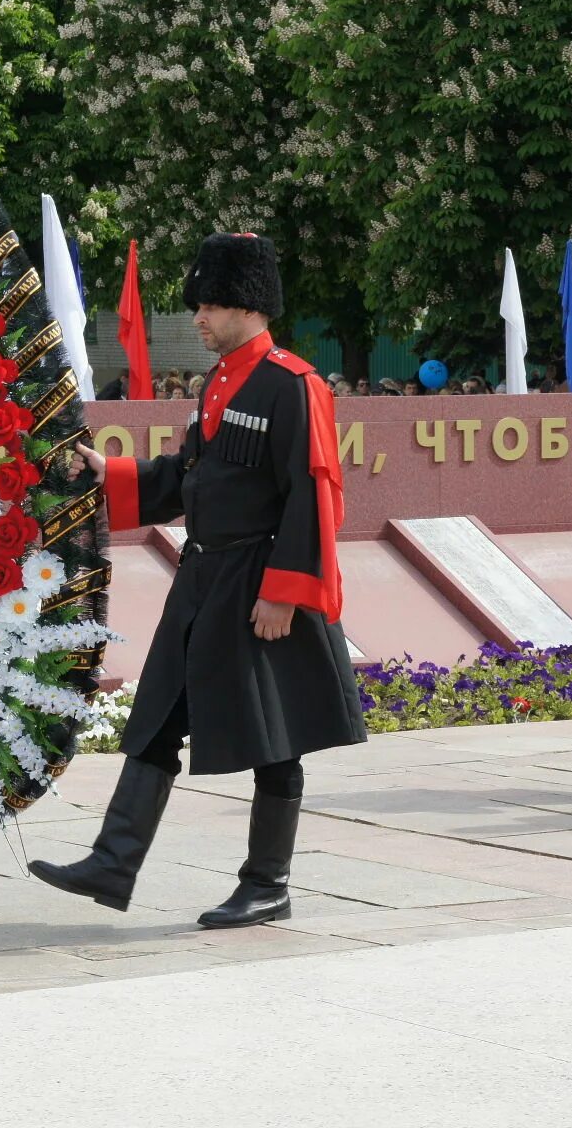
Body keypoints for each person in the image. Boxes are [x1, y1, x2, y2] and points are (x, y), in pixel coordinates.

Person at [31, 233, 364, 928]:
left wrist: (285, 591)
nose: (200, 317)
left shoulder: (294, 384)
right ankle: (113, 862)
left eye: (211, 304)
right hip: (204, 576)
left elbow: (314, 494)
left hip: (258, 582)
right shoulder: (217, 384)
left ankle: (267, 883)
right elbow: (190, 477)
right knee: (155, 716)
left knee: (276, 738)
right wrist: (112, 474)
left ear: (249, 304)